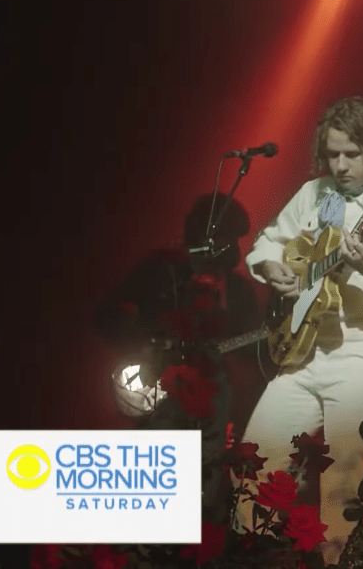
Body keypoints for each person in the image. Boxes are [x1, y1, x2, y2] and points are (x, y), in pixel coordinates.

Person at [237, 96, 363, 563]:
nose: (341, 165)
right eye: (333, 155)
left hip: (362, 356)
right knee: (252, 468)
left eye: (353, 154)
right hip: (300, 354)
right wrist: (272, 268)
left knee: (341, 489)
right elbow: (269, 243)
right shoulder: (314, 193)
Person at [96, 192, 263, 516]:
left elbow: (257, 351)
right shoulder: (162, 270)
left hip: (212, 397)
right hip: (160, 382)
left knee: (205, 479)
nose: (235, 250)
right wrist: (143, 329)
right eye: (228, 236)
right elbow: (108, 319)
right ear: (205, 232)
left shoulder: (238, 290)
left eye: (237, 239)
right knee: (154, 472)